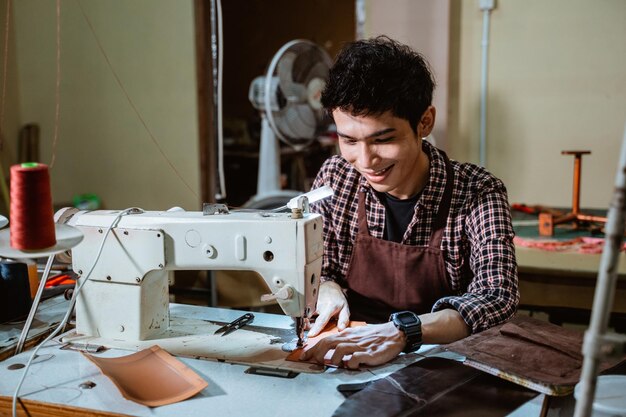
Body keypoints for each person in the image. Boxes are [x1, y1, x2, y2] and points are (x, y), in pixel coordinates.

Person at [300, 36, 519, 369]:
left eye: (383, 139)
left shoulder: (477, 192)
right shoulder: (336, 178)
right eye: (348, 140)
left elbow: (496, 296)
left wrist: (403, 332)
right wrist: (326, 287)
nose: (366, 160)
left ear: (425, 122)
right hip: (351, 355)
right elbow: (315, 265)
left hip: (441, 364)